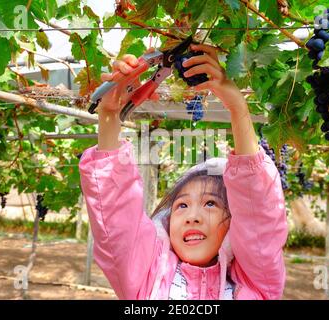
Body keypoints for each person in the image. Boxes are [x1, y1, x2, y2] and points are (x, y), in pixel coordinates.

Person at [79, 43, 288, 300]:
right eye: (181, 206)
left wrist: (238, 107)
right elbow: (116, 220)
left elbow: (259, 215)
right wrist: (109, 117)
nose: (192, 217)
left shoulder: (255, 285)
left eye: (210, 203)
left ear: (236, 226)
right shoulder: (146, 278)